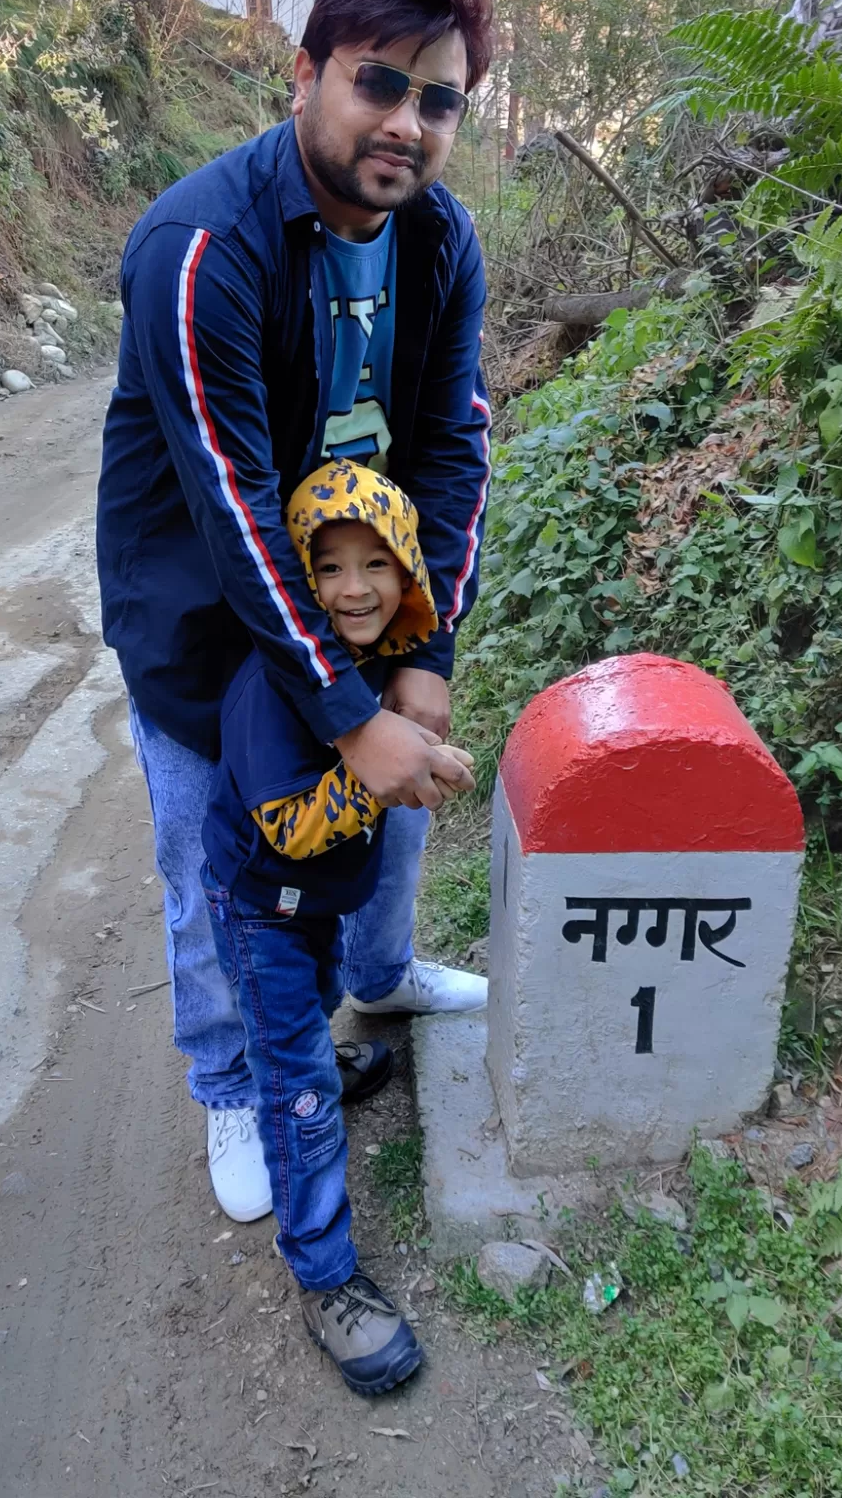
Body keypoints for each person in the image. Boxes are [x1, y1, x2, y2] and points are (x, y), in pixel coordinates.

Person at [97, 0, 495, 1224]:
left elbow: (452, 445)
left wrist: (422, 655)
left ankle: (378, 975)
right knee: (212, 854)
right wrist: (340, 712)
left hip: (365, 595)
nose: (406, 122)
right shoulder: (197, 246)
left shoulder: (440, 242)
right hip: (203, 620)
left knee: (396, 799)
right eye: (379, 82)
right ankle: (229, 1083)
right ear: (305, 80)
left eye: (439, 101)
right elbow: (233, 502)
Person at [203, 460, 474, 1393]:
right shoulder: (273, 687)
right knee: (299, 1092)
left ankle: (313, 1059)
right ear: (296, 580)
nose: (354, 588)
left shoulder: (373, 674)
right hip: (261, 910)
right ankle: (325, 1277)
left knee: (318, 999)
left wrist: (416, 751)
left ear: (409, 577)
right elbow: (289, 824)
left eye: (377, 564)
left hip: (311, 913)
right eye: (327, 569)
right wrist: (392, 770)